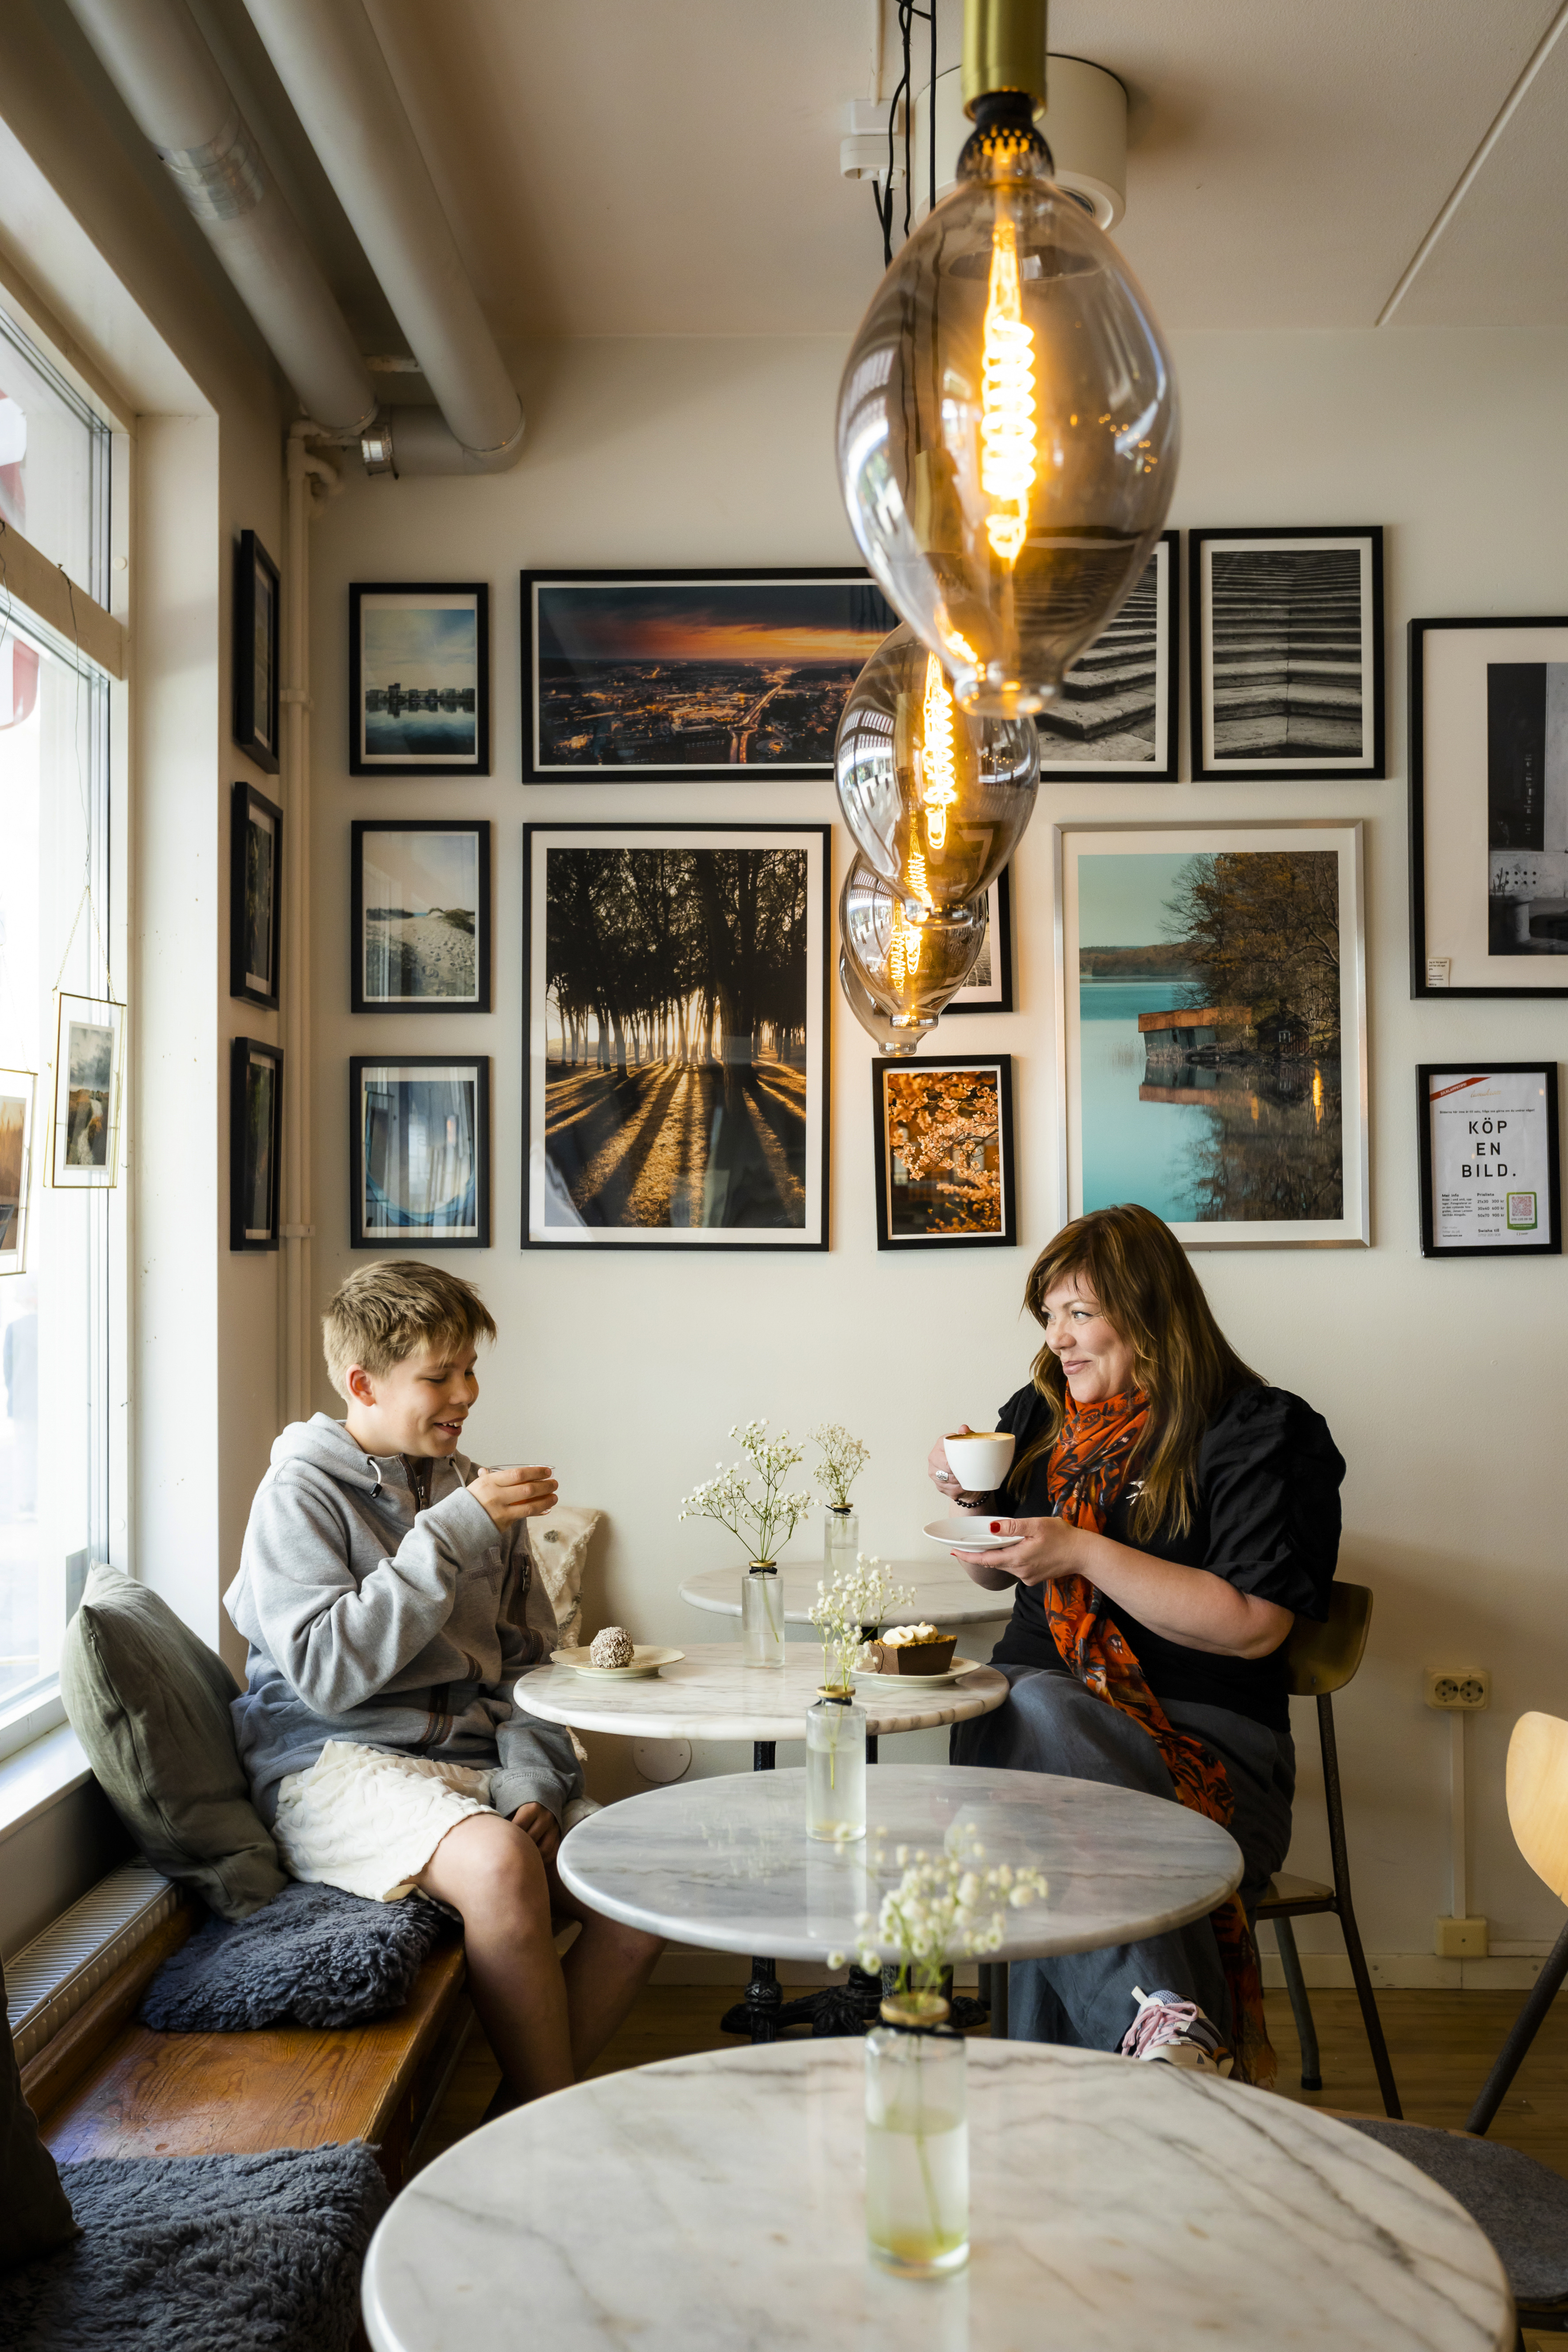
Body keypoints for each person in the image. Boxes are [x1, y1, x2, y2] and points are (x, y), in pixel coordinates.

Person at [225, 1259, 660, 2109]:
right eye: (439, 1376)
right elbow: (327, 1673)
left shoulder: (475, 1494)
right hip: (333, 1767)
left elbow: (529, 1666)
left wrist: (532, 1779)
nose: (466, 1394)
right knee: (499, 1863)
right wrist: (452, 1533)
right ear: (364, 1384)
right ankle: (550, 2142)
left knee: (639, 1890)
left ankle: (518, 2123)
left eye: (470, 1369)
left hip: (473, 1767)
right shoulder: (299, 1495)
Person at [933, 1202, 1343, 2085]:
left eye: (1079, 1313)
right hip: (1035, 1763)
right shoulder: (1039, 1415)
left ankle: (1091, 2090)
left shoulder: (1257, 1429)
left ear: (1152, 1313)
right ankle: (1167, 2041)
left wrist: (1082, 1550)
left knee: (1028, 1732)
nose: (1058, 1339)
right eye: (1049, 1315)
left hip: (1205, 1751)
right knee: (1022, 1724)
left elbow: (1254, 1627)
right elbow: (993, 1581)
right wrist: (975, 1506)